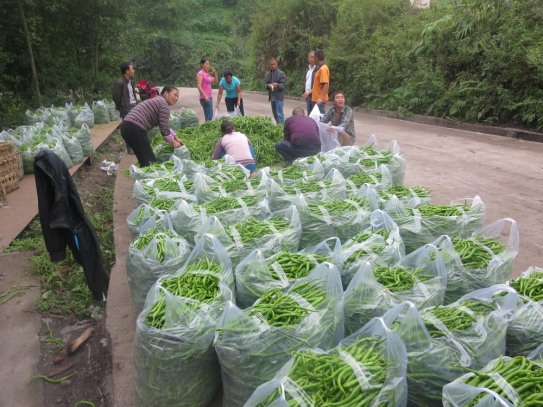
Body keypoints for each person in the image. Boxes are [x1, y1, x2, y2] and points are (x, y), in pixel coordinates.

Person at [120, 86, 184, 167]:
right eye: (174, 95)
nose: (176, 98)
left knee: (143, 159)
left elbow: (165, 125)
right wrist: (173, 143)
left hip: (126, 127)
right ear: (166, 93)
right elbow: (164, 131)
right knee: (150, 161)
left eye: (177, 96)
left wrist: (176, 137)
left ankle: (144, 177)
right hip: (135, 128)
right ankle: (150, 178)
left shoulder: (158, 100)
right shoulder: (164, 105)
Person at [112, 61, 137, 154]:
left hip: (133, 106)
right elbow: (116, 96)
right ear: (127, 71)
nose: (133, 70)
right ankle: (129, 148)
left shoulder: (129, 81)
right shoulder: (120, 82)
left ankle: (134, 146)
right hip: (126, 108)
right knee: (128, 128)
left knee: (135, 128)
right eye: (132, 69)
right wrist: (121, 106)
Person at [265, 58, 286, 124]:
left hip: (279, 97)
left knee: (279, 114)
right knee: (275, 114)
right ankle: (278, 126)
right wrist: (268, 86)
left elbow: (283, 85)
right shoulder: (268, 74)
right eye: (271, 65)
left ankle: (282, 128)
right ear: (269, 65)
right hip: (272, 97)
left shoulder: (281, 73)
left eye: (274, 64)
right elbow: (265, 84)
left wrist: (277, 85)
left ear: (277, 64)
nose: (273, 66)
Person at [311, 50, 330, 114]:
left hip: (319, 100)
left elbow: (325, 84)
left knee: (321, 119)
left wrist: (320, 98)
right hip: (316, 98)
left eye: (313, 57)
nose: (313, 59)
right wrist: (309, 92)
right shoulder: (319, 68)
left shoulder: (323, 69)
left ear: (316, 58)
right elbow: (318, 85)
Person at [301, 51, 316, 116]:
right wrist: (304, 92)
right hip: (308, 95)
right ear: (308, 59)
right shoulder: (308, 69)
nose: (313, 59)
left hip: (315, 95)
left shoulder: (318, 69)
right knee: (310, 115)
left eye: (315, 57)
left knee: (316, 115)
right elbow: (306, 81)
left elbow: (317, 85)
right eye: (312, 57)